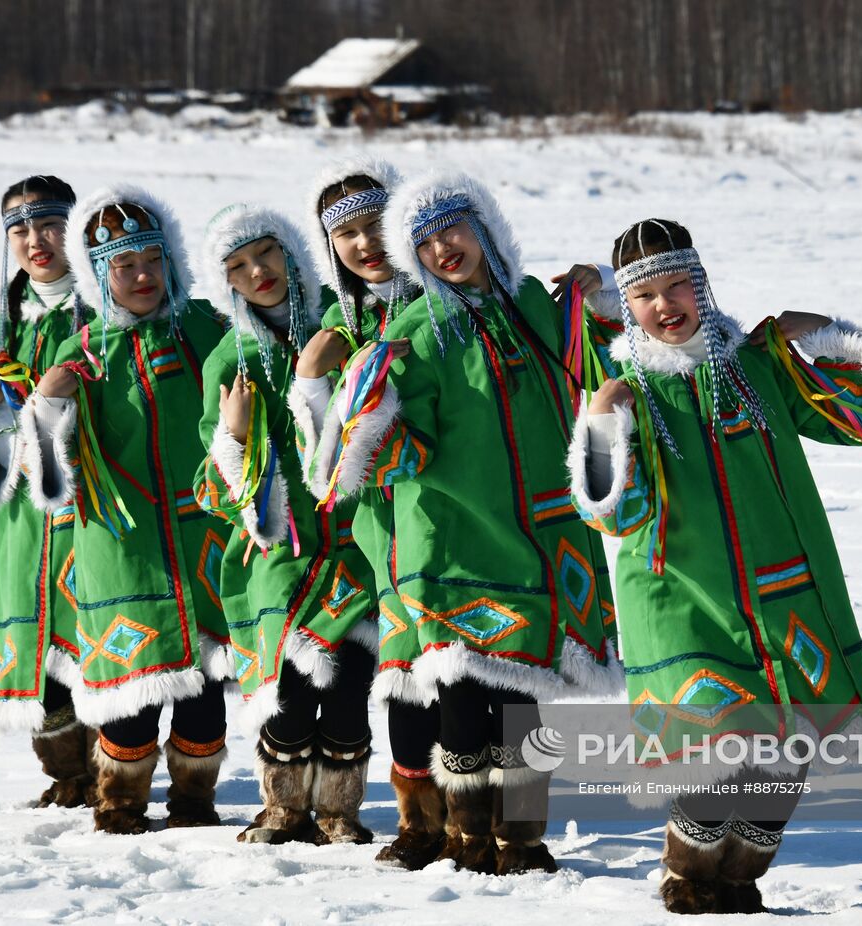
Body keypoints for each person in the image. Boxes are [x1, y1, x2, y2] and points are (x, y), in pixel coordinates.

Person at [568, 218, 862, 914]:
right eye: (645, 297)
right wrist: (606, 423)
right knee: (716, 754)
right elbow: (611, 513)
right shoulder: (626, 387)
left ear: (700, 284)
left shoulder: (756, 367)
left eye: (677, 286)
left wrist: (825, 334)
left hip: (787, 594)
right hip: (682, 602)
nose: (665, 306)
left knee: (782, 759)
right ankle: (689, 879)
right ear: (625, 307)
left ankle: (738, 881)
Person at [303, 170, 623, 875]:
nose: (444, 247)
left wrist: (593, 281)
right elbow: (380, 455)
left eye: (456, 227)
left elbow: (621, 320)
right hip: (446, 541)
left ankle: (522, 837)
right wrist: (364, 398)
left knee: (525, 696)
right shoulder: (414, 332)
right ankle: (462, 836)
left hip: (539, 541)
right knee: (454, 698)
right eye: (423, 239)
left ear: (487, 227)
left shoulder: (534, 306)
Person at [22, 185, 234, 834]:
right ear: (98, 275)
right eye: (123, 265)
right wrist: (50, 403)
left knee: (204, 693)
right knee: (130, 696)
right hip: (123, 551)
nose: (142, 277)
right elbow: (46, 480)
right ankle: (119, 802)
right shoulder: (83, 351)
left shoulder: (205, 328)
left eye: (151, 259)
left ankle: (195, 799)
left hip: (203, 548)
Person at [193, 202, 378, 845]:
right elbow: (216, 488)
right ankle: (282, 807)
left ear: (293, 250)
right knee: (291, 695)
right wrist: (235, 435)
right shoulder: (229, 363)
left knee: (352, 689)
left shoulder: (344, 320)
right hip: (279, 556)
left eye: (266, 253)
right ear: (226, 283)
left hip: (359, 547)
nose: (258, 272)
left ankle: (338, 811)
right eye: (238, 266)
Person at [288, 156, 453, 868]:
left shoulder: (453, 298)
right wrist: (311, 380)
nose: (365, 244)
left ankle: (511, 819)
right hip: (388, 531)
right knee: (408, 675)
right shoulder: (338, 324)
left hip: (471, 513)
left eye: (375, 225)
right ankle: (420, 821)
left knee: (497, 673)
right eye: (346, 235)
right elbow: (323, 461)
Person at [0, 174, 95, 806]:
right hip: (24, 517)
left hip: (95, 504)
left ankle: (120, 769)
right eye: (20, 229)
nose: (36, 241)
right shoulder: (1, 324)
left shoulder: (103, 307)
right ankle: (68, 773)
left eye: (50, 226)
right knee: (38, 644)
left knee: (99, 636)